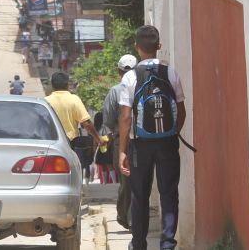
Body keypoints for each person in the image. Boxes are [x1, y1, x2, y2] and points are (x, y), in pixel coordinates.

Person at [118, 26, 186, 250]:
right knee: (168, 194)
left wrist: (122, 151)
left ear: (137, 47)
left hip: (140, 145)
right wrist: (172, 133)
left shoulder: (130, 77)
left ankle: (139, 244)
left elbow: (126, 117)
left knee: (140, 196)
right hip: (167, 142)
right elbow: (181, 110)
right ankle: (167, 244)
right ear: (159, 46)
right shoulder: (171, 73)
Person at [102, 54, 138, 229]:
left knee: (126, 180)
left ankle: (126, 217)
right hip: (143, 141)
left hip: (122, 141)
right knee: (140, 180)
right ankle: (133, 217)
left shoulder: (115, 91)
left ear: (119, 71)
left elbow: (108, 121)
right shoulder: (144, 85)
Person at [45, 72, 101, 172]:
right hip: (70, 144)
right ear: (67, 84)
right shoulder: (74, 100)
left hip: (50, 144)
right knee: (72, 171)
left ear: (52, 85)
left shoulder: (45, 101)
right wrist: (98, 139)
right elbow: (86, 123)